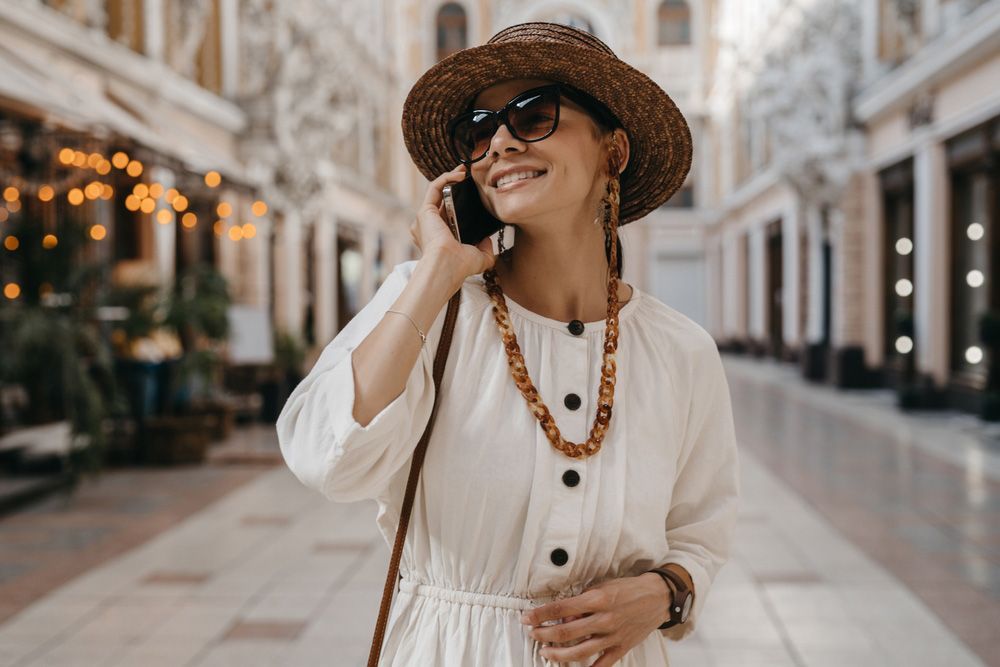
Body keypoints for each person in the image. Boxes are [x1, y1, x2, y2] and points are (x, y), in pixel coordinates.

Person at [276, 22, 740, 667]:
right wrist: (437, 271)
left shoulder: (681, 350)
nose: (498, 141)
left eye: (533, 114)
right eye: (478, 129)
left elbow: (701, 533)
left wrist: (664, 595)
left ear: (614, 151)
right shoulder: (430, 307)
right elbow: (328, 459)